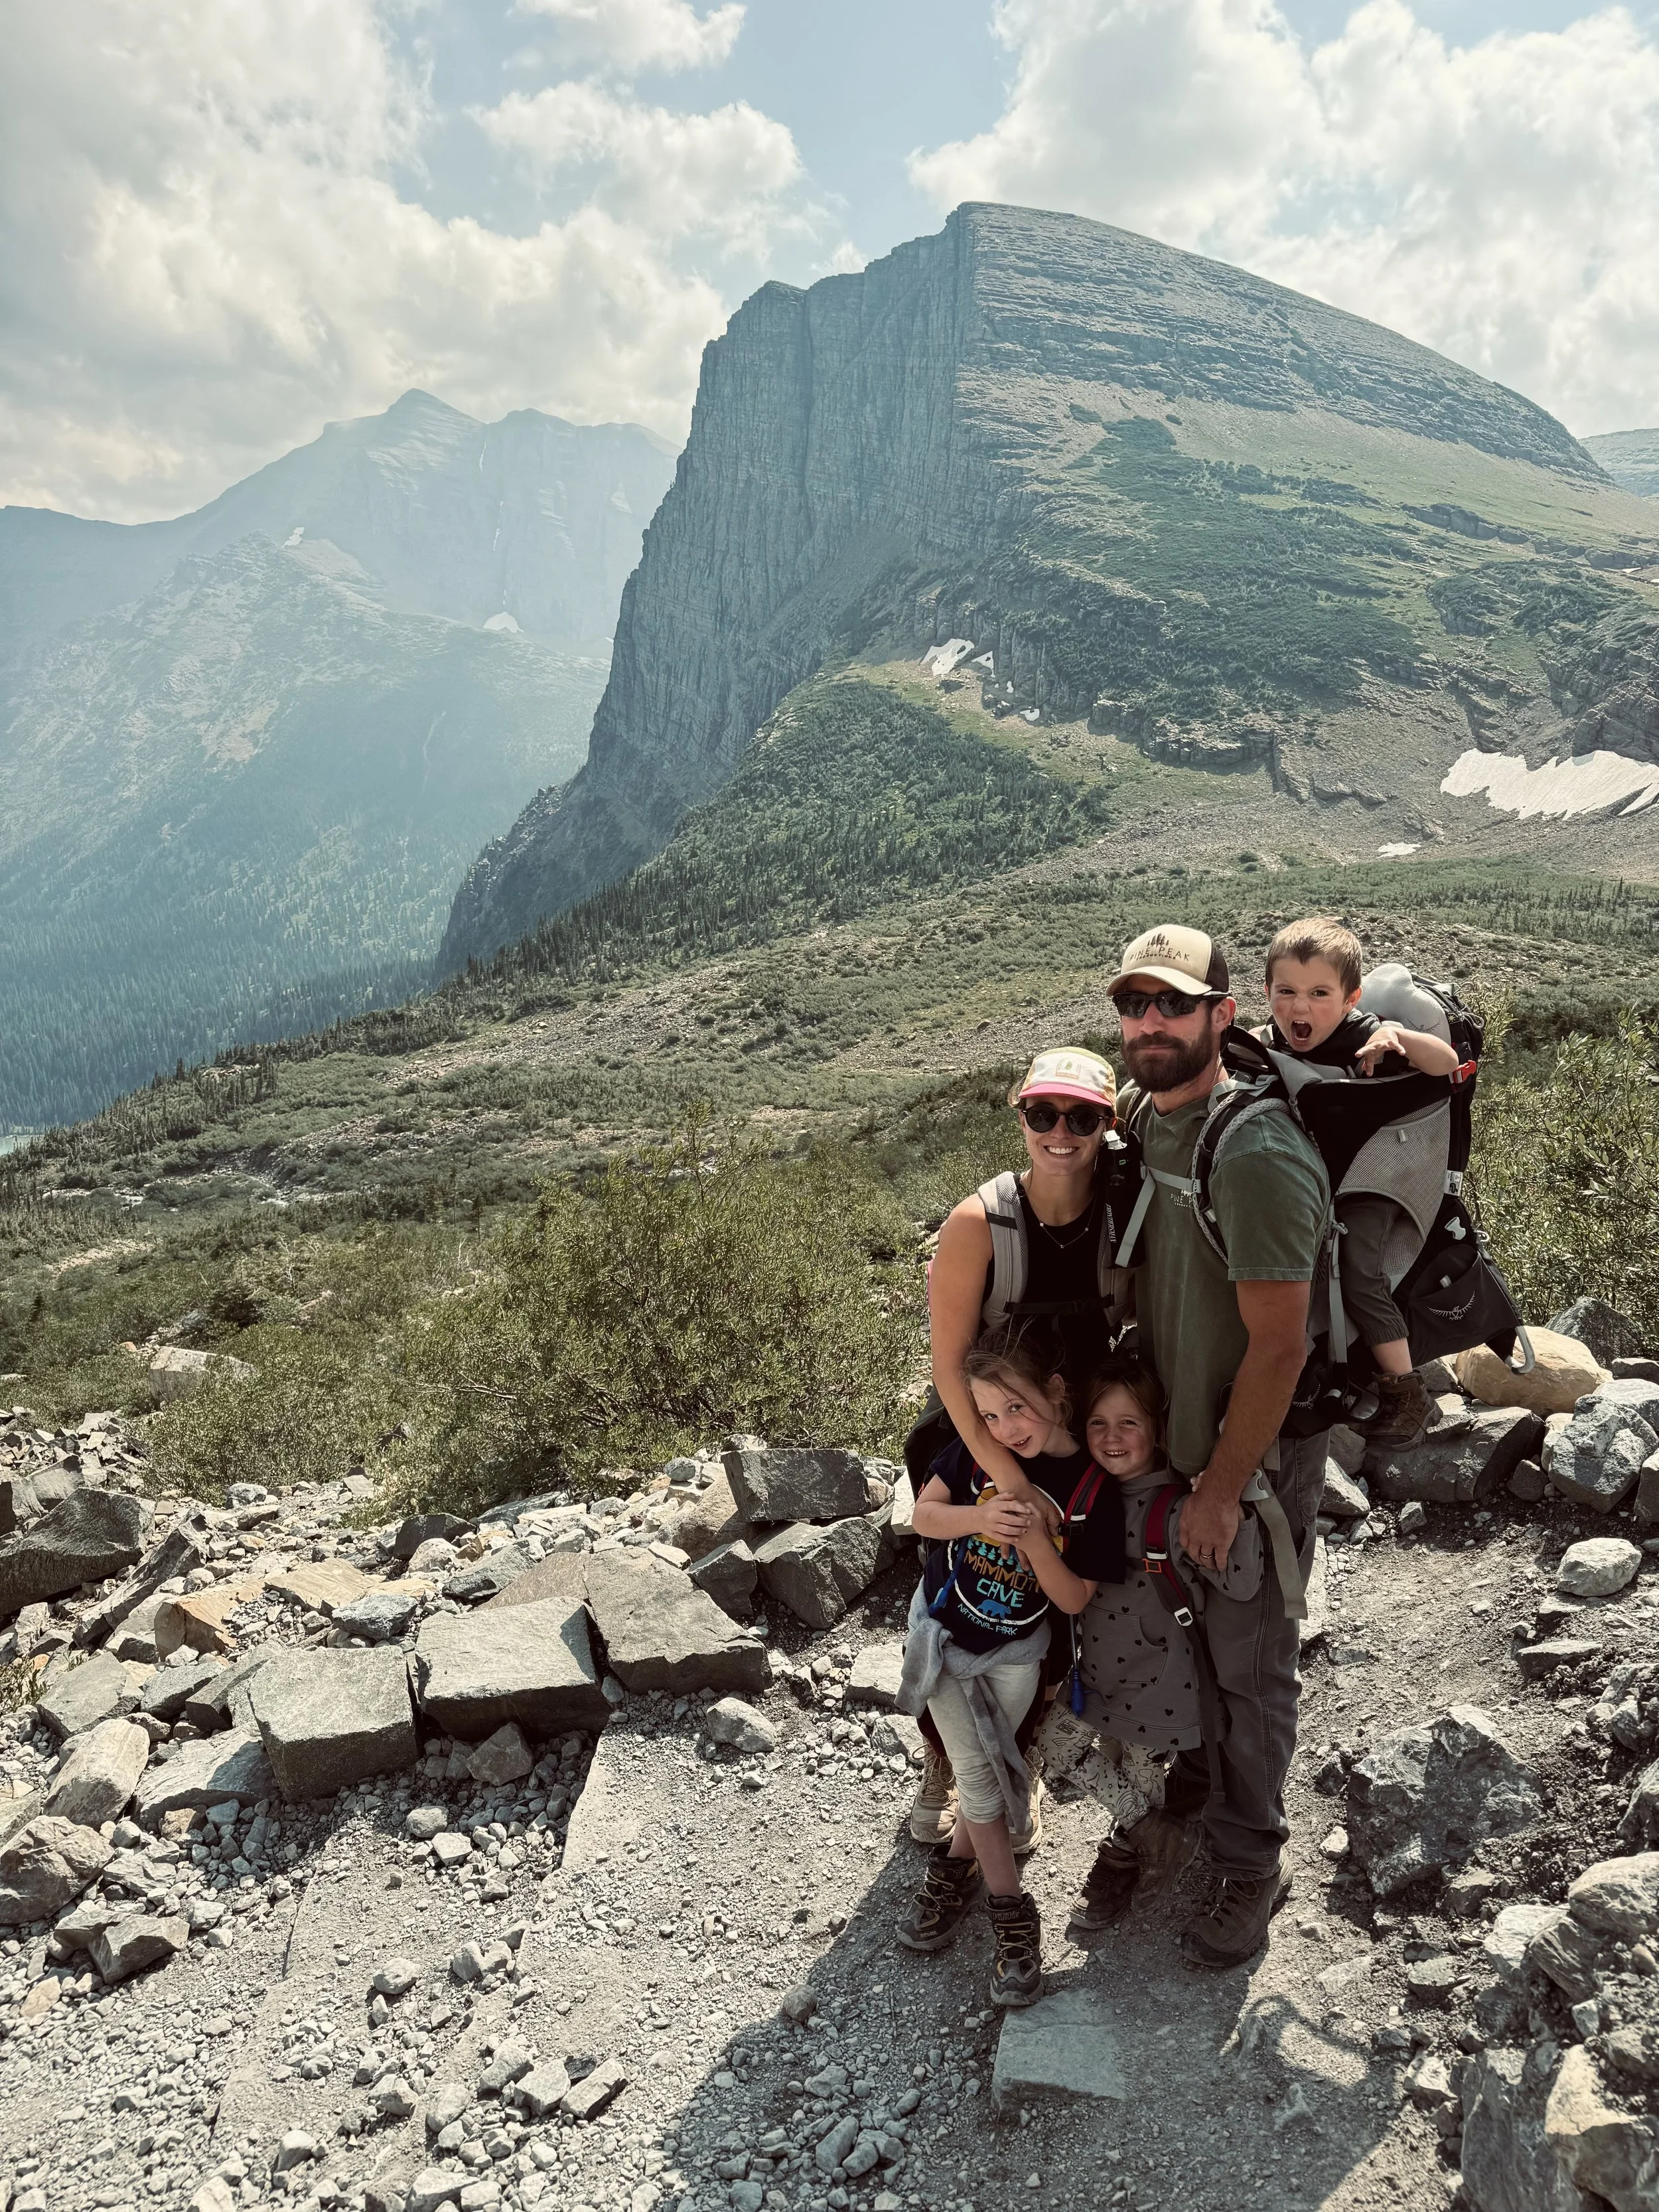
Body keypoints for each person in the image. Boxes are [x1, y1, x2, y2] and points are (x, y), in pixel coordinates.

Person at [1108, 922, 1333, 1968]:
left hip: (1247, 1464)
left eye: (1174, 1005)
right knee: (1186, 1639)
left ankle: (1251, 1860)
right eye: (1136, 1004)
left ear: (1220, 1016)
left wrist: (1222, 1491)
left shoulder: (1255, 1150)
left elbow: (1282, 1348)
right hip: (1175, 1447)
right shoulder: (1140, 1120)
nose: (1151, 1023)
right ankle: (1199, 1789)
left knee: (1249, 1664)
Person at [905, 1047, 1137, 1849]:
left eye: (1082, 1117)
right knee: (965, 1597)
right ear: (1022, 1118)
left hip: (1075, 1447)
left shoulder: (1123, 1215)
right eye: (1043, 1114)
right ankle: (945, 1759)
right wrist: (1009, 1485)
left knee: (1050, 1619)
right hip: (982, 1439)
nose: (1060, 1133)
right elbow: (947, 1373)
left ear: (1109, 1126)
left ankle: (1020, 1755)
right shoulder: (980, 1223)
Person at [894, 1323, 1123, 2007]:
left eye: (1015, 1408)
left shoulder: (1089, 1485)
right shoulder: (976, 1452)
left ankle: (953, 1869)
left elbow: (1076, 1595)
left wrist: (1034, 1544)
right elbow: (924, 1517)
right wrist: (979, 1520)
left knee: (995, 1764)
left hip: (1018, 1649)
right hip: (942, 1637)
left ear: (1056, 1391)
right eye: (989, 1414)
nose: (1003, 1427)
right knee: (982, 1782)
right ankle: (1013, 1924)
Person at [1262, 917, 1460, 1447]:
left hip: (1378, 1172)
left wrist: (1395, 1034)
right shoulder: (1270, 1039)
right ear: (1267, 991)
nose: (1299, 1008)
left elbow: (1448, 1064)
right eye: (1287, 992)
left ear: (1350, 998)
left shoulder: (1361, 1031)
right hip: (1322, 1171)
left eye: (1319, 994)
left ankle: (1404, 1388)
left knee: (1356, 1268)